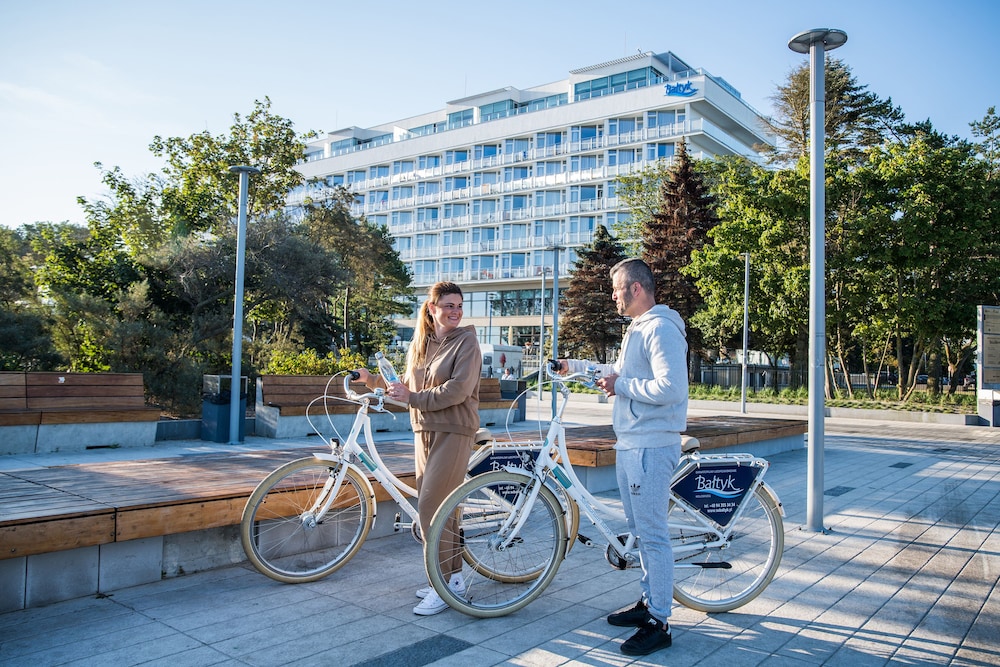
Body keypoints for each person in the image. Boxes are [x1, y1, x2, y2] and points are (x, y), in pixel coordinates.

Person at [557, 257, 688, 656]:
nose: (612, 296)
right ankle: (649, 603)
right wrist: (573, 366)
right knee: (642, 533)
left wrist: (623, 385)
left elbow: (671, 388)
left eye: (616, 289)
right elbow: (614, 371)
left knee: (652, 535)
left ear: (635, 289)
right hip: (632, 443)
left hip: (651, 444)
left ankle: (660, 622)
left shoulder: (661, 328)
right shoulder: (638, 329)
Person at [353, 281, 481, 616]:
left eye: (459, 305)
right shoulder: (422, 344)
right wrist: (371, 381)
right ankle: (452, 582)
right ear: (432, 308)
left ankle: (440, 585)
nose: (455, 312)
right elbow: (404, 390)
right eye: (448, 306)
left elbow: (458, 390)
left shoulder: (467, 341)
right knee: (445, 510)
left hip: (454, 430)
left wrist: (414, 398)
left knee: (430, 508)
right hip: (423, 430)